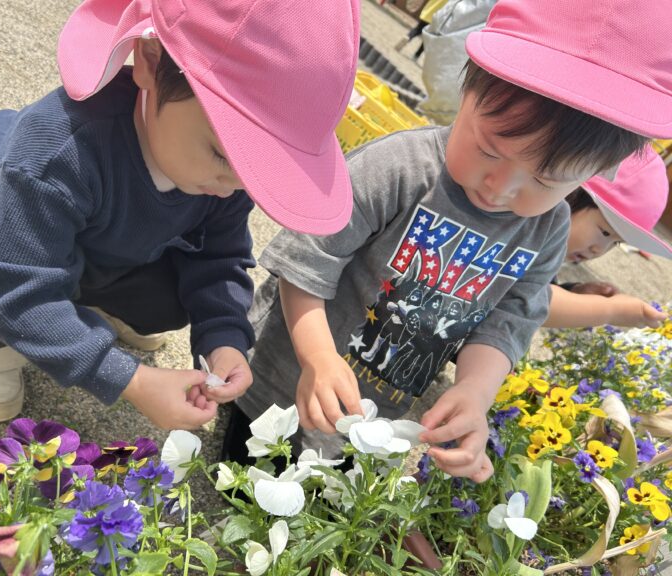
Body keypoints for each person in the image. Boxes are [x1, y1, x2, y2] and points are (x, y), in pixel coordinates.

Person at [225, 0, 672, 482]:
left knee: (325, 508)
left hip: (380, 412)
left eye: (545, 180)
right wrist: (318, 357)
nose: (499, 187)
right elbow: (309, 261)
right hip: (287, 378)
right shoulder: (402, 168)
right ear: (468, 87)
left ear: (593, 178)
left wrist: (476, 393)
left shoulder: (547, 230)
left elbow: (508, 320)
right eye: (488, 149)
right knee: (243, 481)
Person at [0, 0, 359, 428]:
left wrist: (223, 341)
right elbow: (13, 281)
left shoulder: (225, 176)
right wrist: (128, 378)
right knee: (1, 274)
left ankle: (72, 310)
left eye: (258, 170)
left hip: (97, 243)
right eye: (223, 153)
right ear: (150, 62)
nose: (237, 184)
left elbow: (219, 260)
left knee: (170, 299)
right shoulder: (58, 151)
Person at [545, 148, 671, 329]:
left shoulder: (546, 254)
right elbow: (526, 304)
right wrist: (609, 310)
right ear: (569, 195)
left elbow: (541, 290)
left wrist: (572, 292)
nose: (599, 250)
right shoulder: (519, 236)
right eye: (605, 232)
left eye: (615, 242)